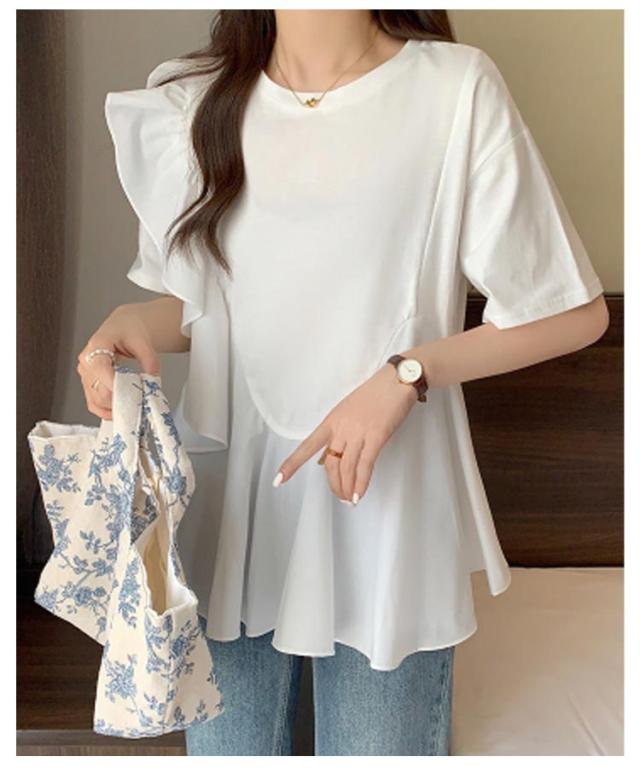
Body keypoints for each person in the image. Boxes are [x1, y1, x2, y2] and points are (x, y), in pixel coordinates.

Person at [76, 9, 609, 756]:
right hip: (237, 518)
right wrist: (131, 320)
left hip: (387, 514)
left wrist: (406, 375)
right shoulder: (198, 101)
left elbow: (573, 313)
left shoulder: (453, 90)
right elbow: (219, 312)